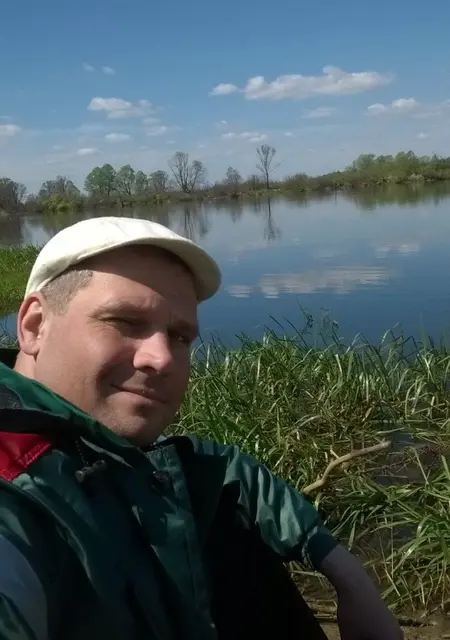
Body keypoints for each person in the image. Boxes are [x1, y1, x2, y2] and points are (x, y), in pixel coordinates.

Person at [0, 216, 402, 640]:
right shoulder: (15, 493)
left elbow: (220, 466)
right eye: (125, 321)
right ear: (34, 325)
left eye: (179, 336)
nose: (162, 358)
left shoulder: (89, 441)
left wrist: (347, 576)